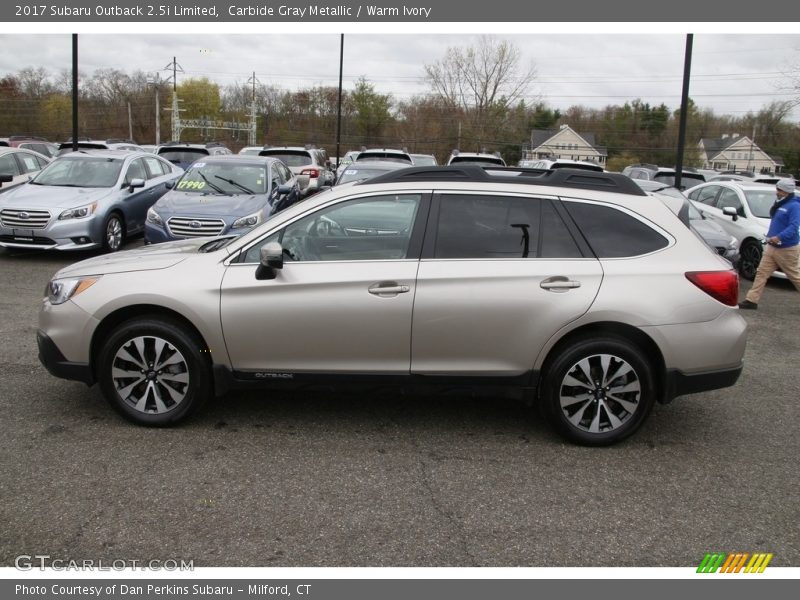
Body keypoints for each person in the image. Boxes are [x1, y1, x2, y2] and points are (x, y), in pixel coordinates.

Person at [738, 178, 800, 309]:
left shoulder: (794, 206)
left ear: (786, 191)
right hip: (772, 247)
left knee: (794, 276)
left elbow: (794, 226)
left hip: (787, 248)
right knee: (761, 273)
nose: (776, 192)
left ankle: (751, 300)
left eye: (779, 190)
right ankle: (751, 300)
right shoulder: (781, 203)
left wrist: (779, 237)